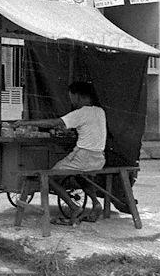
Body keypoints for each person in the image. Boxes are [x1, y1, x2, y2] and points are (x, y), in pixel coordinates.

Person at [14, 81, 106, 225]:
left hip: (83, 157)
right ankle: (96, 203)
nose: (71, 100)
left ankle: (74, 207)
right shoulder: (100, 111)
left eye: (71, 97)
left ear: (77, 96)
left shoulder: (80, 113)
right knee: (83, 177)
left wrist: (25, 123)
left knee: (49, 176)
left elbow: (54, 123)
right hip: (99, 159)